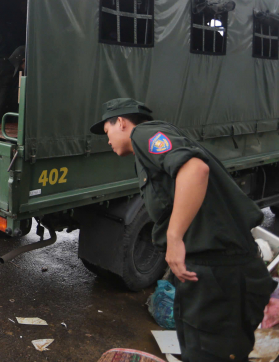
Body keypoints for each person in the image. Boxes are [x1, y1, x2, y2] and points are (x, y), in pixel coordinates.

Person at [91, 98, 276, 361]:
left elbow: (194, 169)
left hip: (221, 275)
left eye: (107, 131)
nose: (107, 140)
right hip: (213, 273)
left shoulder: (144, 134)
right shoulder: (146, 151)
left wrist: (174, 237)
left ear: (121, 122)